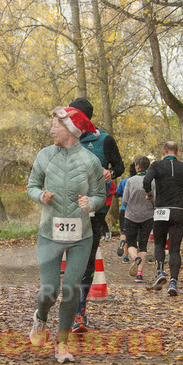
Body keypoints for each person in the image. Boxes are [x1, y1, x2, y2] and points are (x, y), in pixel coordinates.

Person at [27, 106, 106, 363]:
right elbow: (31, 186)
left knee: (71, 288)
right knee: (49, 290)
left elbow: (100, 195)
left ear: (70, 130)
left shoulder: (91, 161)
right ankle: (40, 317)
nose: (51, 130)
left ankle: (62, 344)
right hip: (49, 233)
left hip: (80, 236)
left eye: (56, 126)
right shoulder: (45, 155)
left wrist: (91, 204)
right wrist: (41, 195)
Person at [68, 98, 125, 333]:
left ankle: (79, 311)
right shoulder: (64, 138)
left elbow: (120, 166)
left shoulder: (104, 140)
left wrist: (110, 172)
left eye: (74, 115)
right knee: (72, 257)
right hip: (68, 208)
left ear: (84, 118)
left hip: (96, 208)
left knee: (88, 257)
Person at [143, 141, 183, 296]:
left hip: (161, 210)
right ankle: (173, 282)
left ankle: (160, 272)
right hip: (178, 211)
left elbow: (146, 181)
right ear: (177, 153)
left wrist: (149, 194)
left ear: (163, 152)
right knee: (174, 249)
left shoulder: (156, 165)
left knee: (159, 244)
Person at [121, 156, 155, 283]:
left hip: (131, 216)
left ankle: (135, 258)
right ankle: (139, 274)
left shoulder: (130, 181)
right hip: (147, 216)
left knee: (131, 243)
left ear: (138, 167)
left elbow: (124, 200)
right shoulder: (153, 181)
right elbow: (155, 198)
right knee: (143, 245)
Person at [115, 163, 137, 262]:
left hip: (124, 209)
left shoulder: (124, 181)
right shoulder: (140, 181)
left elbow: (116, 194)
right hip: (134, 210)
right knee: (132, 233)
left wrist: (123, 195)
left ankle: (122, 243)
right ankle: (128, 255)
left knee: (124, 231)